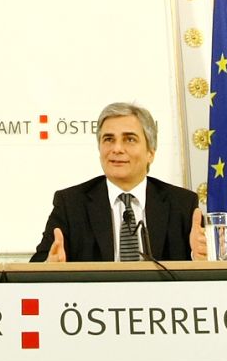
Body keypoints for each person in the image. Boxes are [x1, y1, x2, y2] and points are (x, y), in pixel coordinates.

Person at [32, 101, 207, 262]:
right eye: (108, 139)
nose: (117, 149)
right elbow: (37, 267)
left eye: (129, 139)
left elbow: (202, 274)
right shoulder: (71, 204)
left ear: (150, 153)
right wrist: (50, 266)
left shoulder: (182, 204)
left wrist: (199, 258)